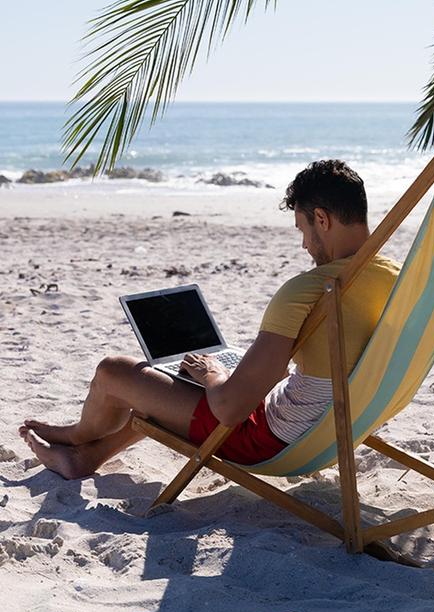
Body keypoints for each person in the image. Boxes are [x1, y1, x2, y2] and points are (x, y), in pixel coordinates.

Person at [19, 160, 400, 478]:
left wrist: (211, 376)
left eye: (303, 230)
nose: (304, 244)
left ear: (322, 218)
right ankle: (85, 456)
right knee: (167, 387)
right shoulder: (398, 279)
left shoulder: (310, 289)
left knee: (114, 371)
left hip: (266, 439)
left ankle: (75, 435)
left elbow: (230, 409)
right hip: (340, 426)